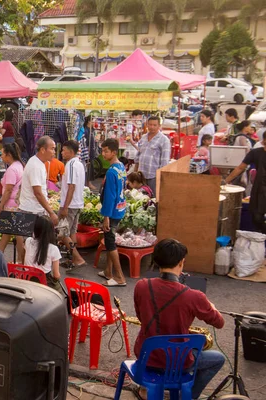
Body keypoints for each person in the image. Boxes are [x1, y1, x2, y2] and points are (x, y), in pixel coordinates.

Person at [133, 239, 225, 400]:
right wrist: (212, 306)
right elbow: (219, 322)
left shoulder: (141, 286)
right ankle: (187, 396)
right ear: (182, 262)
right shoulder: (195, 296)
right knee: (218, 359)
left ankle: (145, 389)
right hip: (177, 363)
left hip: (145, 357)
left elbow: (142, 318)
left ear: (156, 260)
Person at [98, 138, 127, 287]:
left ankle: (120, 277)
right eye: (102, 150)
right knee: (110, 241)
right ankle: (108, 271)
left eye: (106, 151)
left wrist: (106, 217)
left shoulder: (110, 172)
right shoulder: (121, 166)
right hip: (120, 208)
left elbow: (110, 196)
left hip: (112, 211)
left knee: (110, 243)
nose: (103, 154)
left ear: (114, 152)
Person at [225, 133, 266, 233]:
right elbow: (240, 168)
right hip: (259, 188)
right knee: (257, 217)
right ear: (264, 141)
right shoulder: (255, 153)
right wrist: (225, 181)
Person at [19, 136, 59, 226]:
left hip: (36, 208)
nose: (54, 152)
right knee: (31, 239)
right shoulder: (35, 166)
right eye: (52, 149)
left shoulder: (39, 163)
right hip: (32, 210)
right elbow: (38, 193)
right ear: (42, 150)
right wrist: (51, 213)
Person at [57, 140, 86, 266]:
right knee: (71, 232)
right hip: (78, 203)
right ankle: (73, 258)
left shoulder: (71, 164)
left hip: (71, 204)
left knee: (62, 232)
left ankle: (78, 258)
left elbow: (71, 186)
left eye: (64, 150)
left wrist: (65, 207)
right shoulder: (79, 163)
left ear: (70, 151)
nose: (62, 153)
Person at [0, 143, 25, 260]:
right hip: (17, 203)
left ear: (9, 155)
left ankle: (20, 260)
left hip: (11, 205)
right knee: (7, 232)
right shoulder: (19, 165)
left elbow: (8, 190)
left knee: (17, 235)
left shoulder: (12, 169)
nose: (1, 157)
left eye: (3, 154)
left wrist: (1, 205)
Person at [23, 216, 62, 292]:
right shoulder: (53, 249)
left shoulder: (28, 241)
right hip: (43, 282)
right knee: (59, 291)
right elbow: (56, 275)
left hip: (27, 278)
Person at [134, 116, 171, 195]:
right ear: (147, 125)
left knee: (153, 198)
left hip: (154, 176)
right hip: (141, 175)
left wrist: (161, 177)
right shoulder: (143, 137)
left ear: (159, 126)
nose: (152, 127)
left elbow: (165, 161)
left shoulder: (164, 140)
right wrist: (135, 172)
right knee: (140, 197)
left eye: (154, 125)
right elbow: (138, 155)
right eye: (150, 125)